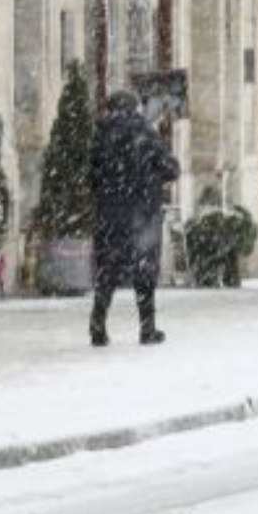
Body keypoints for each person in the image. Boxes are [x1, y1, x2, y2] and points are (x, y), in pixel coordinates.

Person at [90, 90, 180, 346]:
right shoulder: (145, 133)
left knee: (107, 272)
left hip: (109, 215)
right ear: (134, 108)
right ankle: (147, 329)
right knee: (144, 271)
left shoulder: (100, 135)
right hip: (142, 215)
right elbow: (171, 169)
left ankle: (98, 326)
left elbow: (92, 177)